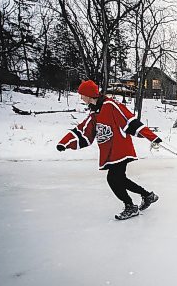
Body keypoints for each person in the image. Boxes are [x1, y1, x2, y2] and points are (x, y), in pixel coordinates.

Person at [57, 79, 162, 220]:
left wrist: (152, 137)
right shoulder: (95, 113)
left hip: (121, 150)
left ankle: (130, 206)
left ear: (89, 94)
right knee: (120, 179)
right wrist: (65, 143)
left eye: (82, 94)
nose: (81, 97)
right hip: (110, 152)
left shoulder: (110, 105)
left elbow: (129, 120)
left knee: (113, 179)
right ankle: (148, 195)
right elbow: (83, 130)